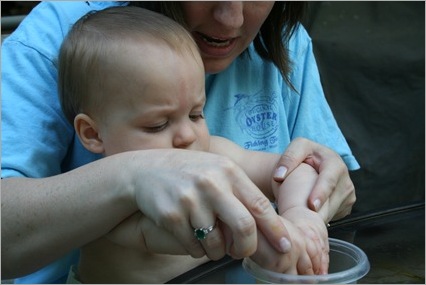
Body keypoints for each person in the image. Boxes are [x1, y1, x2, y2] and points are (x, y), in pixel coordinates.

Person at [1, 1, 359, 283]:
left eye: (196, 114)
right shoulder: (108, 207)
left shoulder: (209, 149)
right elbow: (240, 238)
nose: (187, 135)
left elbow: (291, 169)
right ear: (92, 134)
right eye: (157, 124)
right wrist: (277, 241)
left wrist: (301, 213)